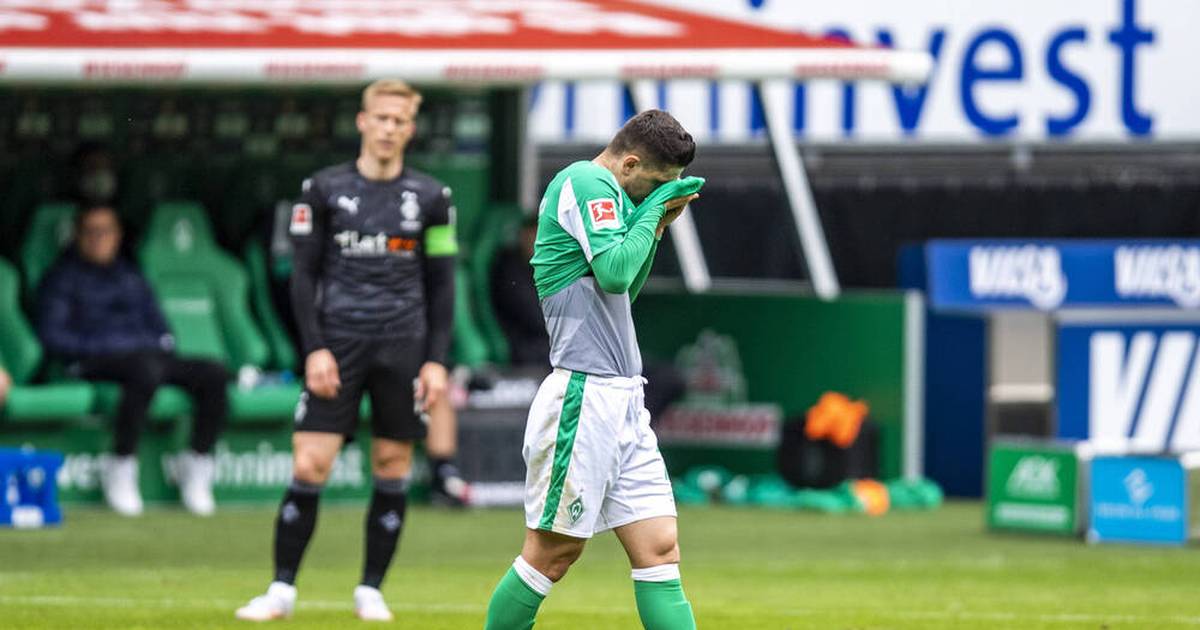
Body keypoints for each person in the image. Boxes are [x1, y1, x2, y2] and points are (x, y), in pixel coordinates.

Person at [236, 79, 457, 622]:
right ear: (363, 121)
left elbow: (443, 283)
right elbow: (302, 276)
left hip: (403, 344)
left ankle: (371, 590)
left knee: (391, 462)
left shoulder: (433, 198)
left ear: (410, 129)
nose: (388, 128)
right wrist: (313, 349)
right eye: (381, 118)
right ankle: (281, 590)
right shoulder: (322, 189)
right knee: (310, 462)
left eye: (399, 121)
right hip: (337, 343)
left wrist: (435, 360)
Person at [484, 109, 703, 630]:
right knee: (551, 554)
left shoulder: (611, 194)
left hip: (623, 396)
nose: (660, 193)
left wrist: (655, 227)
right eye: (657, 182)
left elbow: (624, 291)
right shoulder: (586, 182)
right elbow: (613, 273)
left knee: (659, 548)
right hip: (583, 394)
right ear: (629, 164)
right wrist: (652, 212)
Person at [36, 204, 228, 517]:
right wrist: (104, 346)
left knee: (214, 373)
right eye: (91, 232)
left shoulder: (130, 275)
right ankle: (121, 464)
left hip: (145, 355)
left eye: (106, 231)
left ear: (118, 236)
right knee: (144, 369)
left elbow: (160, 326)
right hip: (92, 360)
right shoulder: (62, 279)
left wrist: (158, 343)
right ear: (78, 236)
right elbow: (53, 335)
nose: (99, 238)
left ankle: (197, 463)